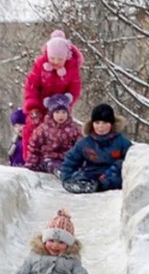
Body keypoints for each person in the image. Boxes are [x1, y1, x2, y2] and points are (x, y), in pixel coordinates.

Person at [22, 30, 83, 162]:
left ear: (66, 57)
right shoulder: (40, 66)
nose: (56, 62)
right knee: (33, 129)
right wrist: (33, 107)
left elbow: (75, 87)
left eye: (60, 59)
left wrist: (68, 99)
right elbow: (31, 86)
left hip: (60, 106)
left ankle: (60, 158)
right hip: (39, 105)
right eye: (52, 58)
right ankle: (30, 160)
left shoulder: (71, 68)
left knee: (61, 131)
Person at [59, 103, 133, 194]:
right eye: (97, 123)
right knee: (80, 176)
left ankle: (99, 186)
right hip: (91, 172)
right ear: (92, 124)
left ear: (112, 124)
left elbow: (130, 158)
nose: (100, 126)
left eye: (105, 123)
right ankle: (81, 184)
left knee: (116, 180)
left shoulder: (121, 141)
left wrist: (116, 167)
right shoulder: (85, 142)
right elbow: (71, 160)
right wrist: (67, 177)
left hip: (111, 172)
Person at [25, 93, 82, 176]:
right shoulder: (43, 129)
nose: (60, 115)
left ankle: (79, 176)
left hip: (67, 159)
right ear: (51, 113)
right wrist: (31, 164)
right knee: (52, 164)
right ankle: (62, 173)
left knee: (76, 166)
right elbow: (34, 147)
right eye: (57, 112)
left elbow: (80, 146)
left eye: (63, 112)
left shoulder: (73, 128)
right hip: (48, 159)